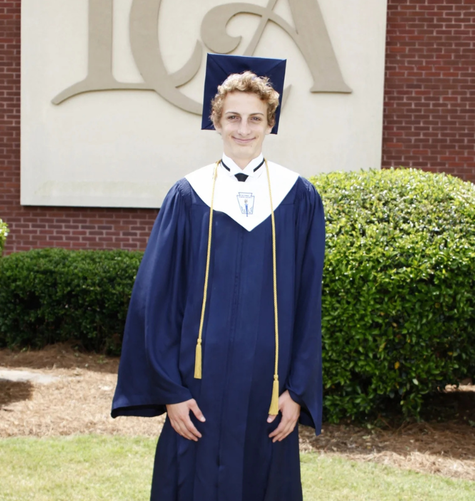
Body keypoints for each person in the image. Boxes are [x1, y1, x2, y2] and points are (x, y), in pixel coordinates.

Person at [111, 54, 324, 501]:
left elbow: (308, 302)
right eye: (232, 117)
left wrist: (298, 391)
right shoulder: (188, 195)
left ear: (270, 122)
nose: (243, 128)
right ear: (216, 122)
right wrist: (170, 390)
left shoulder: (299, 197)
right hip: (198, 387)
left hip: (269, 388)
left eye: (254, 118)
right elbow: (157, 300)